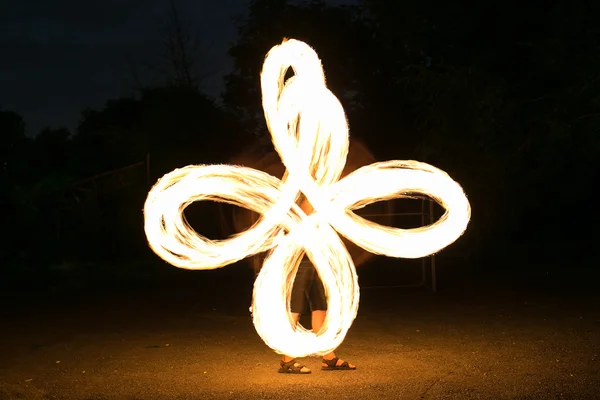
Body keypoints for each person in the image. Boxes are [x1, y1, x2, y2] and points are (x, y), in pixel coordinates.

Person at [278, 194, 356, 374]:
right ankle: (287, 360)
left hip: (314, 260)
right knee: (295, 309)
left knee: (319, 306)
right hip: (300, 260)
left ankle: (328, 357)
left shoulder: (315, 197)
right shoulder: (303, 199)